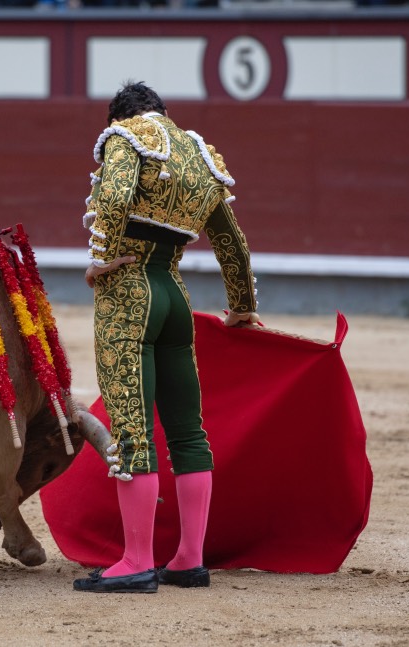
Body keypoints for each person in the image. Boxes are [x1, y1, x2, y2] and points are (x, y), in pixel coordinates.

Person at [73, 81, 259, 593]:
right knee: (187, 431)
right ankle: (189, 560)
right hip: (175, 296)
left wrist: (102, 257)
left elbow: (112, 196)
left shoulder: (124, 136)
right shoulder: (199, 153)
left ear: (119, 115)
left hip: (129, 293)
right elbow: (233, 246)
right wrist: (242, 307)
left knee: (132, 428)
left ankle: (136, 561)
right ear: (162, 111)